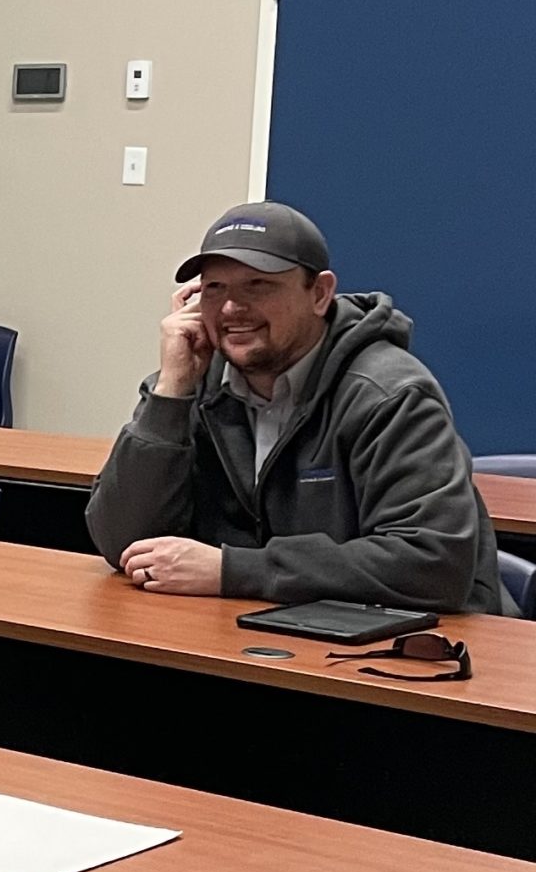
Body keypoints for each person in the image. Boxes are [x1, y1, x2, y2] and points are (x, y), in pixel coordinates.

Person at [88, 200, 499, 613]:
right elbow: (122, 541)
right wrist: (171, 392)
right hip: (252, 636)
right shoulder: (190, 385)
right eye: (215, 288)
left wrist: (233, 570)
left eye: (258, 285)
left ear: (319, 294)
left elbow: (432, 562)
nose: (232, 308)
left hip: (412, 652)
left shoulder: (389, 394)